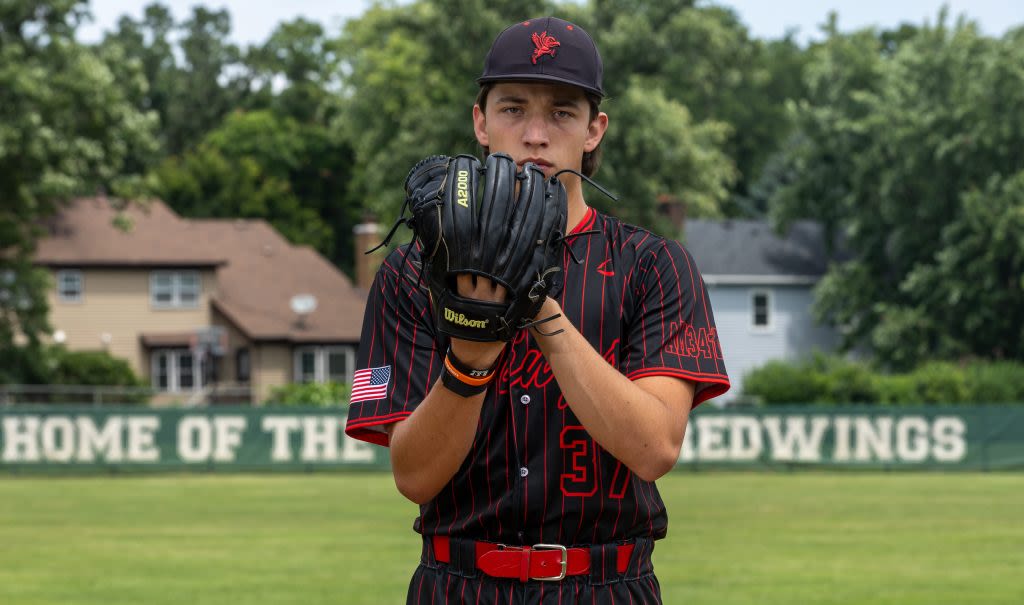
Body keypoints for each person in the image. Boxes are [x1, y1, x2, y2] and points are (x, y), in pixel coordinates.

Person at [345, 16, 730, 604]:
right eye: (513, 108)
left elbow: (655, 448)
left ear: (594, 129)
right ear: (480, 120)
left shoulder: (653, 264)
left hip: (605, 584)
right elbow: (413, 476)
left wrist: (540, 311)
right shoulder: (413, 271)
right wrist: (469, 361)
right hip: (459, 584)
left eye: (561, 113)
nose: (535, 134)